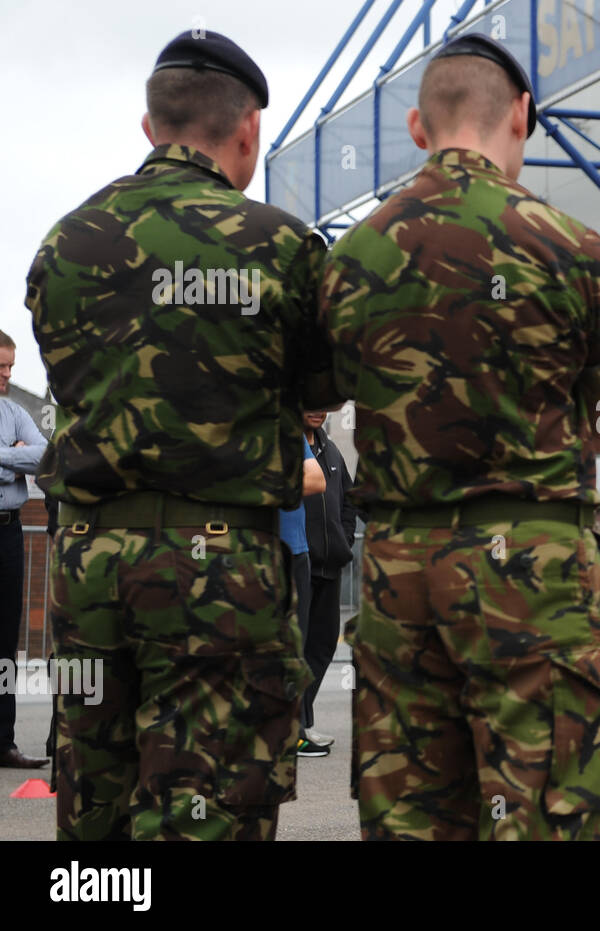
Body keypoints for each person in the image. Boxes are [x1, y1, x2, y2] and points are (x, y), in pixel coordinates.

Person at [319, 34, 600, 840]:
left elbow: (320, 401)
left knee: (411, 813)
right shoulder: (572, 247)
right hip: (534, 571)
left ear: (415, 126)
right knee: (544, 809)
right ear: (523, 115)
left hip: (400, 571)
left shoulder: (352, 257)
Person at [26, 31, 337, 840]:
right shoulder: (282, 248)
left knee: (94, 801)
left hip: (85, 562)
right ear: (248, 133)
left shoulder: (62, 245)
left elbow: (68, 383)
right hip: (219, 570)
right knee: (209, 803)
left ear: (148, 127)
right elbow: (321, 390)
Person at [0, 332, 50, 769]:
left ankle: (3, 742)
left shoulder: (16, 412)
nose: (7, 375)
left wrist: (9, 459)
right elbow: (26, 459)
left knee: (5, 642)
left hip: (9, 534)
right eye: (0, 367)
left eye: (11, 368)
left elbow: (44, 456)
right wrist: (13, 456)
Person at [299, 410, 358, 752]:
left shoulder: (331, 450)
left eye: (324, 403)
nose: (318, 409)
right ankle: (296, 727)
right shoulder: (285, 448)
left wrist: (344, 539)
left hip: (329, 565)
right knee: (296, 646)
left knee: (321, 647)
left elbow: (349, 501)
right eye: (310, 401)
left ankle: (302, 721)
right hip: (297, 564)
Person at [284, 436, 326, 756]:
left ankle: (292, 732)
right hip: (241, 552)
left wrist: (247, 480)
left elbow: (315, 479)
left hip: (293, 551)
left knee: (294, 648)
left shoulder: (281, 424)